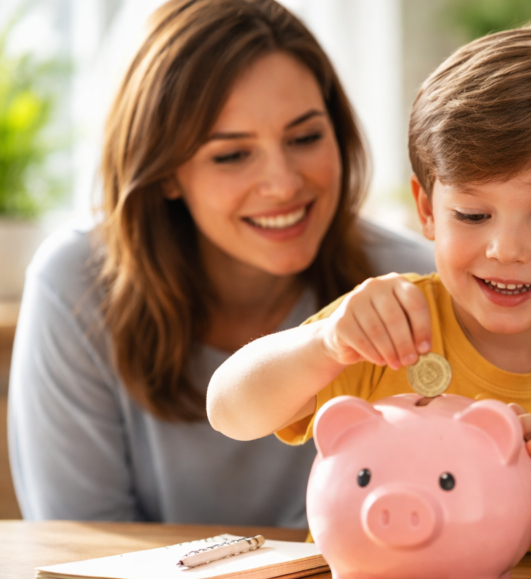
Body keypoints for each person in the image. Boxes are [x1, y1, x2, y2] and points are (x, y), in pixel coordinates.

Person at [208, 23, 531, 552]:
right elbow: (228, 411)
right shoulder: (385, 325)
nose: (505, 250)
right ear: (428, 210)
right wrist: (325, 343)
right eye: (473, 214)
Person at [8, 0, 434, 527]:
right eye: (231, 155)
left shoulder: (416, 280)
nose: (282, 183)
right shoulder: (73, 285)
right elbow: (77, 537)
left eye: (304, 138)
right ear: (165, 172)